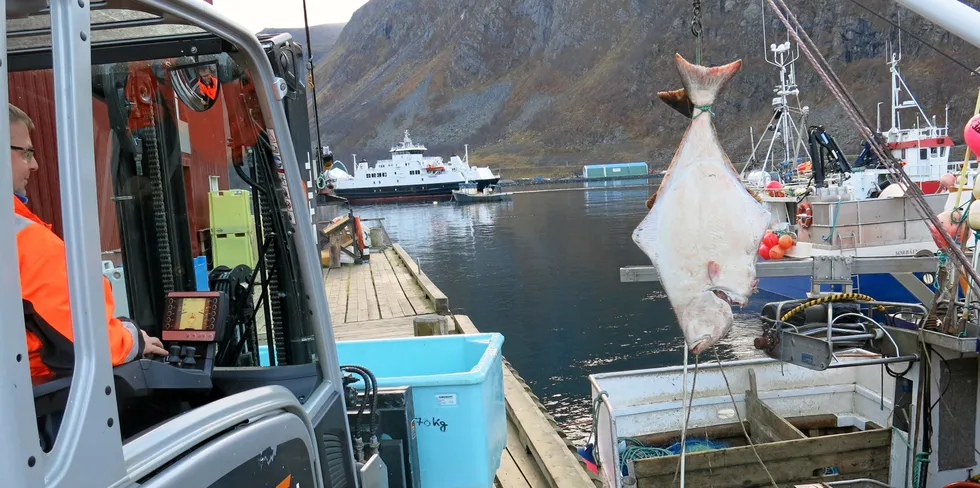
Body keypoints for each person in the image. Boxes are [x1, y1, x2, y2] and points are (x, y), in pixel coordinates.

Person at [9, 103, 168, 384]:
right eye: (27, 153)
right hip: (37, 407)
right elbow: (91, 346)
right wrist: (136, 339)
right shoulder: (25, 241)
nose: (34, 164)